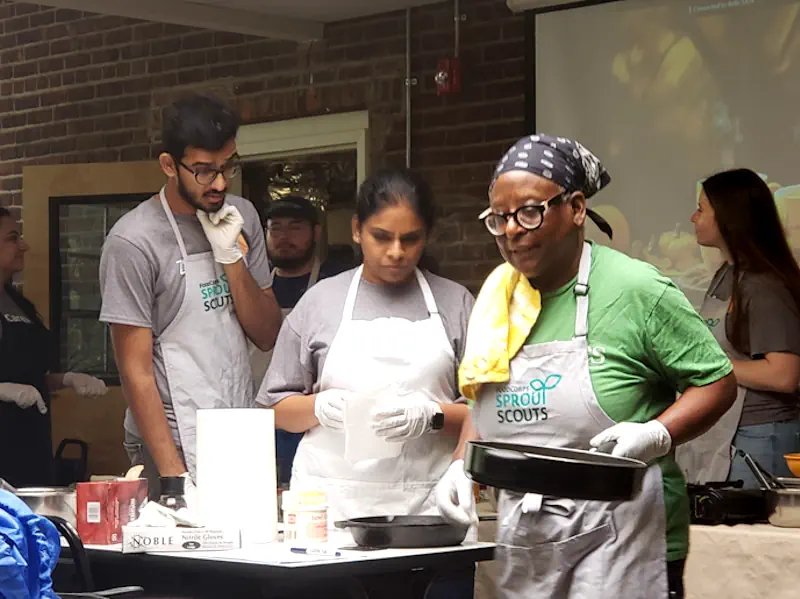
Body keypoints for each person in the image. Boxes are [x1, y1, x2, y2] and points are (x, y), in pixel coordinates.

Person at [435, 134, 737, 599]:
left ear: (576, 208)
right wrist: (461, 466)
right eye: (498, 219)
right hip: (528, 538)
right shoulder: (499, 297)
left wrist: (656, 433)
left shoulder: (635, 288)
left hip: (623, 538)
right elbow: (485, 398)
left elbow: (717, 383)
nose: (512, 230)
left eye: (530, 212)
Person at [257, 168, 475, 523]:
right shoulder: (320, 303)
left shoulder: (456, 303)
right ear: (357, 230)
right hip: (332, 509)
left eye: (410, 239)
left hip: (431, 508)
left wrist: (431, 416)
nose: (396, 252)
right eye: (382, 237)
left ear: (428, 236)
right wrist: (321, 407)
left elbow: (485, 415)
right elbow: (275, 410)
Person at [99, 94, 281, 502]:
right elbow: (136, 372)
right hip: (168, 434)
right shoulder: (133, 241)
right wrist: (174, 478)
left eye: (227, 167)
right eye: (203, 171)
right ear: (168, 165)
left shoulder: (242, 216)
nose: (219, 183)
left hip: (236, 424)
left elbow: (267, 333)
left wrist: (232, 258)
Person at [680, 168, 800, 486]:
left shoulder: (763, 285)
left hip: (760, 437)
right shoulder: (726, 274)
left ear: (728, 217)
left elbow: (784, 374)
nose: (693, 218)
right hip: (727, 430)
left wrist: (712, 368)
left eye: (701, 209)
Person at [0, 208, 107, 488]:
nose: (24, 245)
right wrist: (3, 390)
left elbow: (31, 378)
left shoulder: (18, 304)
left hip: (31, 446)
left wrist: (69, 379)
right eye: (13, 238)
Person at [259, 195, 349, 485]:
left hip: (315, 414)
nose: (284, 237)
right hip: (259, 408)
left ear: (316, 233)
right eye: (276, 229)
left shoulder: (334, 287)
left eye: (295, 228)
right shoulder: (256, 288)